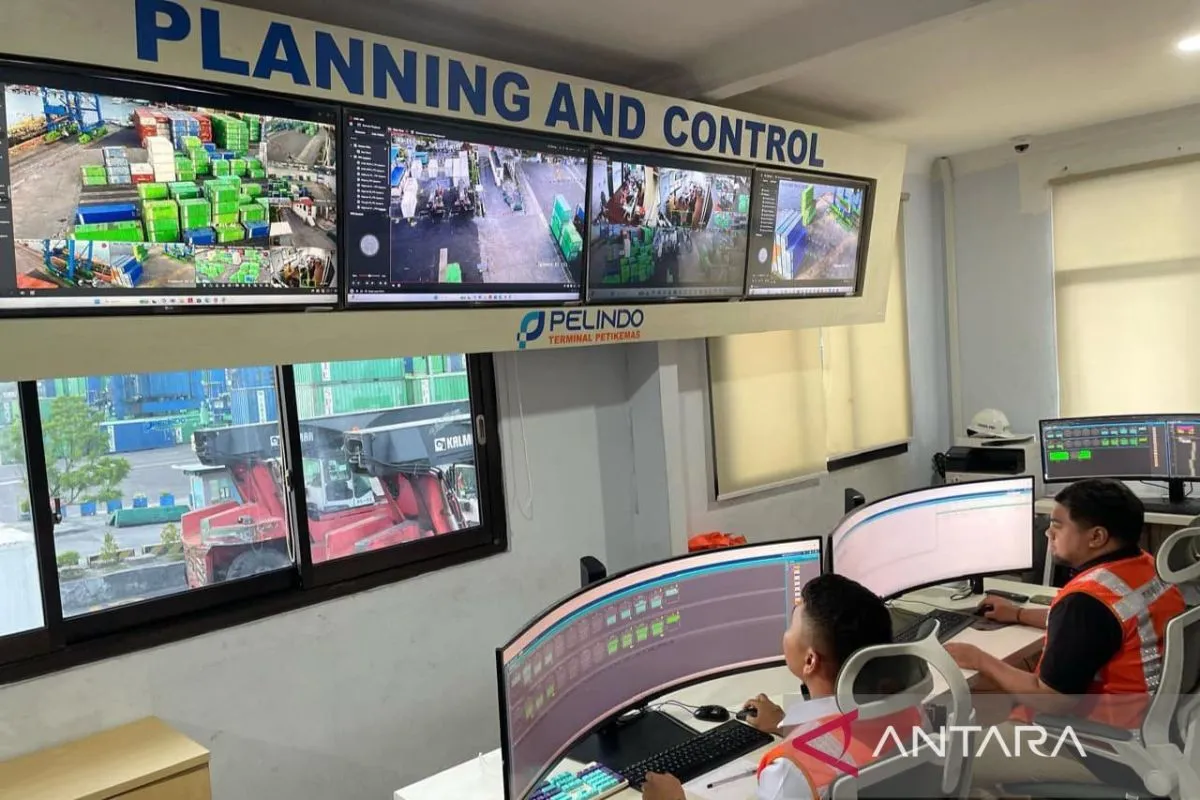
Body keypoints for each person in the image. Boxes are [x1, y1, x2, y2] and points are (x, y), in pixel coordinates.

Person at [945, 478, 1186, 793]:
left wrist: (979, 659)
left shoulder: (1085, 603)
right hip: (1160, 733)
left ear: (1096, 537)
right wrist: (1018, 614)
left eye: (1057, 525)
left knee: (949, 756)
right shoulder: (1146, 567)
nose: (1049, 533)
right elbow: (1105, 627)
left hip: (1106, 747)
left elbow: (1052, 701)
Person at [642, 574, 924, 800]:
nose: (785, 633)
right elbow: (852, 741)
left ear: (810, 660)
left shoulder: (790, 772)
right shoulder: (914, 714)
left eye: (791, 625)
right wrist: (787, 725)